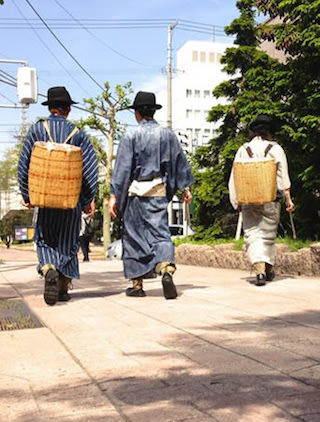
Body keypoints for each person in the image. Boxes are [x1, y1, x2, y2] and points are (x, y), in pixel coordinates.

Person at [108, 91, 194, 299]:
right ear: (153, 112)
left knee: (134, 237)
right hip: (158, 192)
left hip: (135, 193)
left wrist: (114, 196)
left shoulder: (130, 136)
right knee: (160, 233)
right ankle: (165, 268)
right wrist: (186, 187)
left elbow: (122, 170)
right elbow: (179, 162)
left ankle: (137, 285)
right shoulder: (167, 135)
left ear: (137, 113)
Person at [18, 86, 99, 306]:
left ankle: (48, 268)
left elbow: (24, 163)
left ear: (51, 108)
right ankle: (63, 288)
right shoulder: (78, 134)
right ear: (68, 110)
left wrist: (27, 194)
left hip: (44, 199)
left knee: (45, 240)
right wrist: (87, 200)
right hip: (70, 200)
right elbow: (90, 170)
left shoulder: (37, 130)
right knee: (69, 242)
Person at [228, 114, 294, 286]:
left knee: (253, 234)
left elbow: (234, 176)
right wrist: (288, 199)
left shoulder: (243, 149)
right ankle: (267, 267)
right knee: (268, 234)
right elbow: (283, 177)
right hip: (270, 198)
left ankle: (259, 269)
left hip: (249, 199)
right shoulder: (276, 149)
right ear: (270, 132)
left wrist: (237, 201)